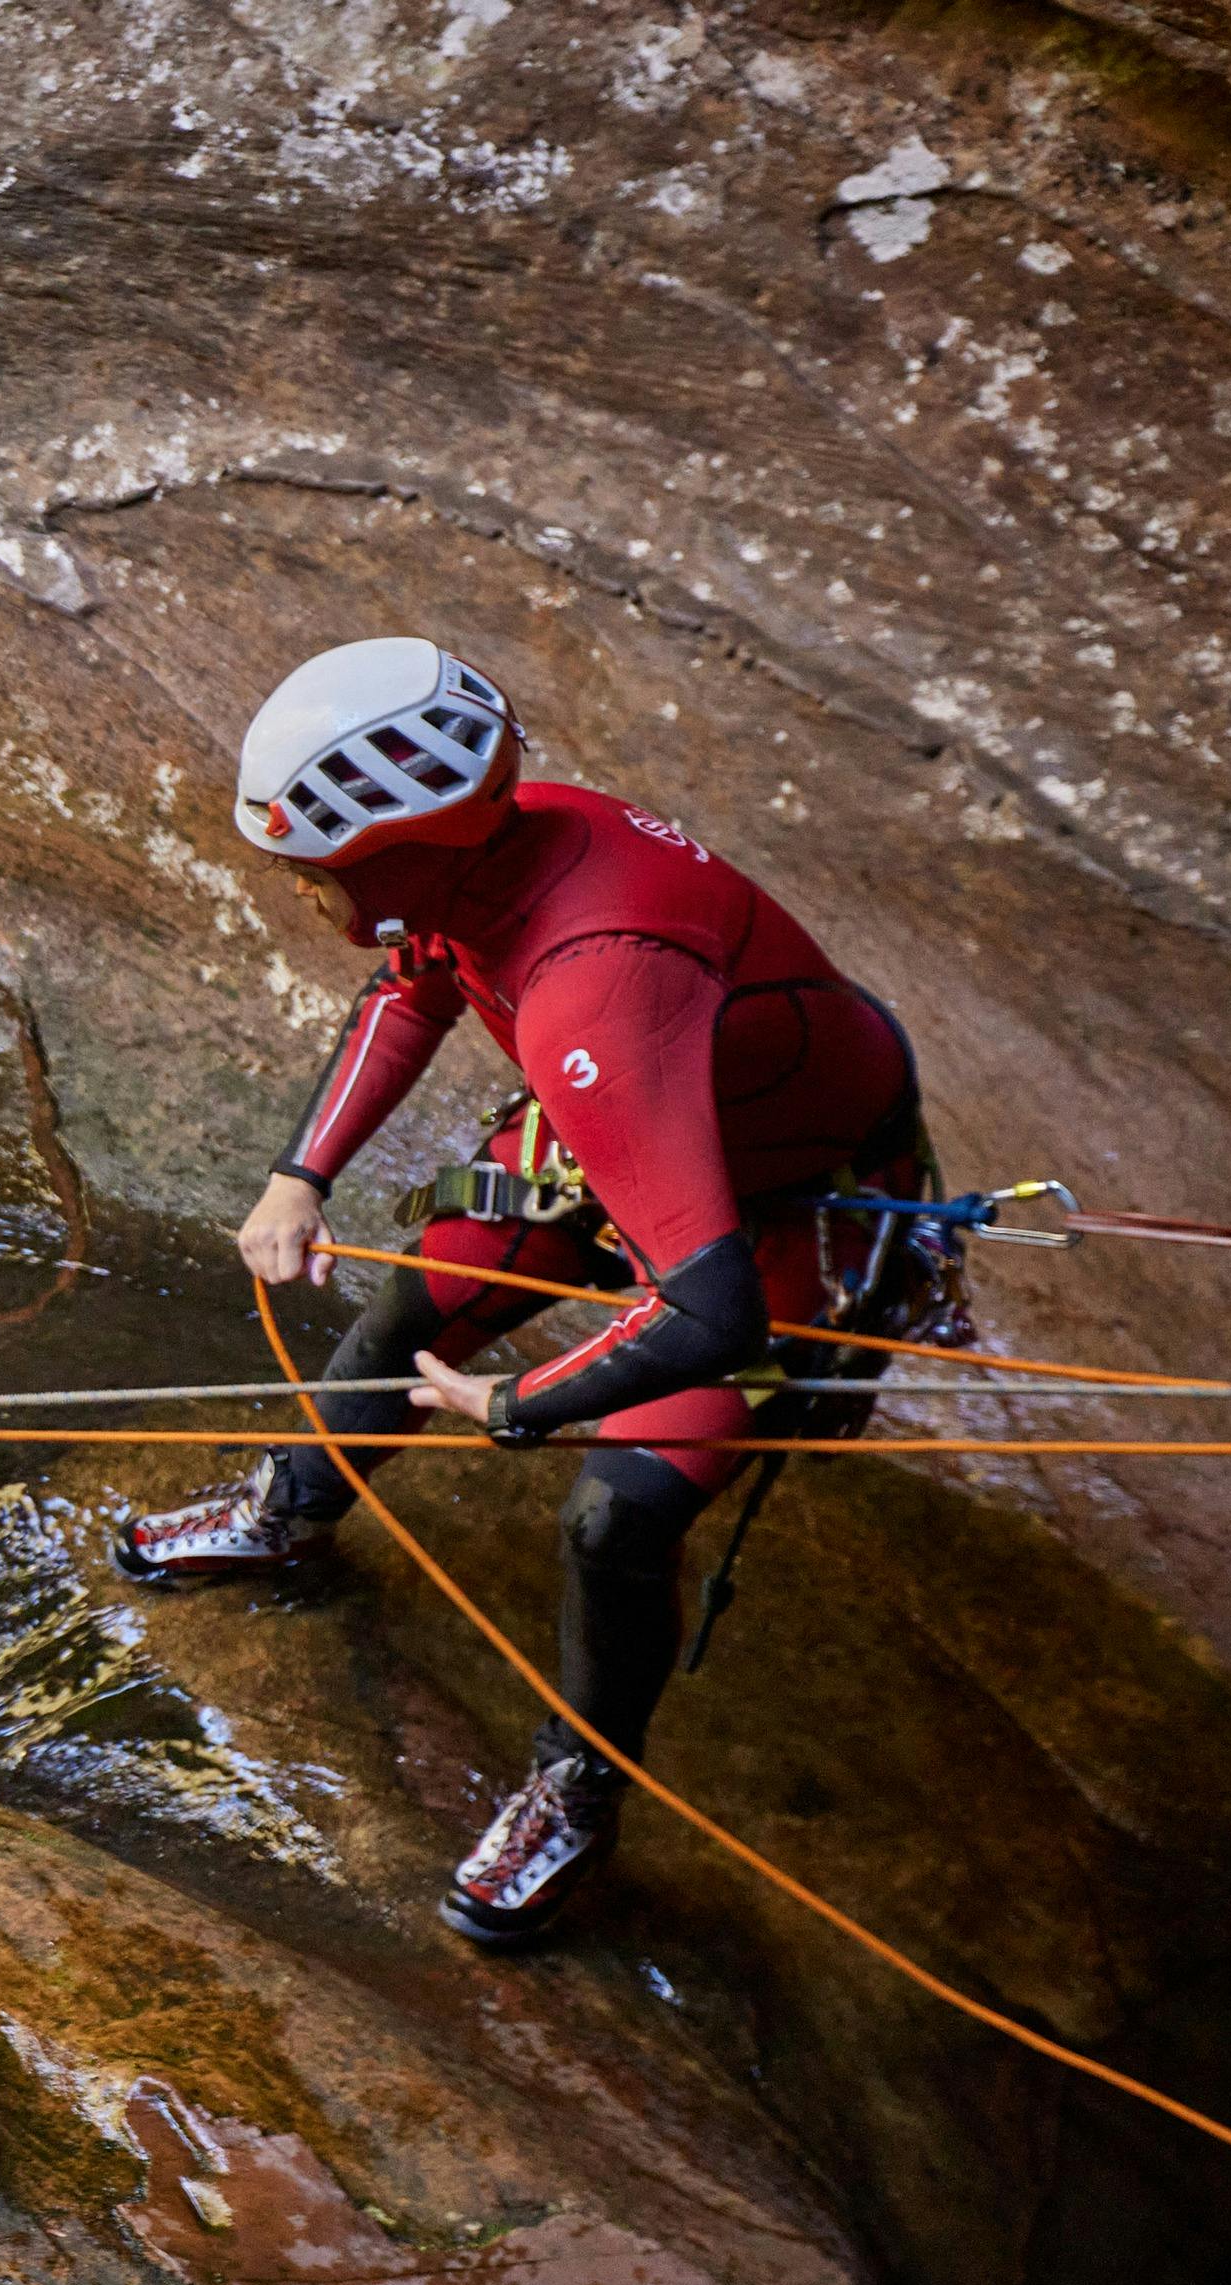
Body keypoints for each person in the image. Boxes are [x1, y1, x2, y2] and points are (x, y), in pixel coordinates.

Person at [114, 638, 931, 1945]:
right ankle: (288, 1512)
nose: (306, 895)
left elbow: (710, 1310)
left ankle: (576, 1794)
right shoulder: (493, 849)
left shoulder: (589, 986)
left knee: (616, 1520)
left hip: (786, 1209)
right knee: (410, 1309)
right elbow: (410, 990)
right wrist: (297, 1176)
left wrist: (515, 1402)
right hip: (632, 1121)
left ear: (407, 848)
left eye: (319, 871)